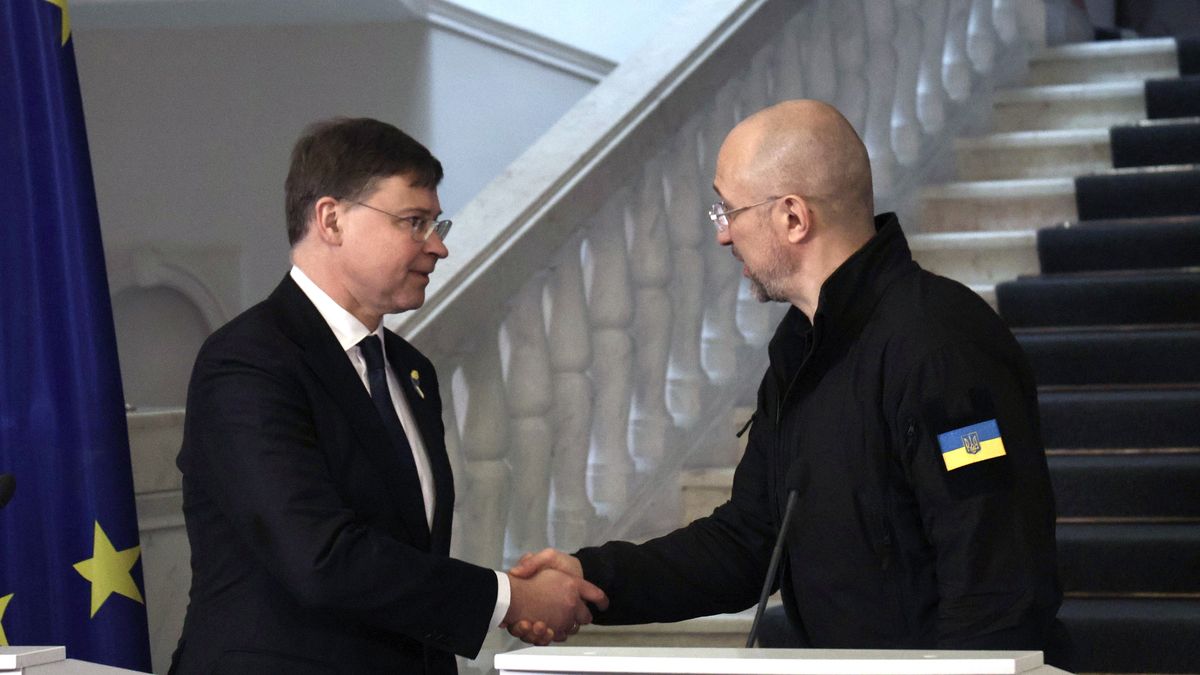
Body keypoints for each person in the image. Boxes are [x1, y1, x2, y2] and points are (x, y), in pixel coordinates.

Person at [509, 100, 1065, 657]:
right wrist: (592, 577)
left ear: (793, 217)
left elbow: (995, 576)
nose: (724, 236)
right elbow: (752, 540)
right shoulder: (800, 347)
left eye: (728, 211)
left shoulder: (942, 342)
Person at [169, 117, 605, 675]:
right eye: (415, 222)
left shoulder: (409, 369)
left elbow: (405, 559)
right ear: (331, 219)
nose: (439, 247)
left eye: (436, 223)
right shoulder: (249, 360)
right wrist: (508, 599)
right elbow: (321, 559)